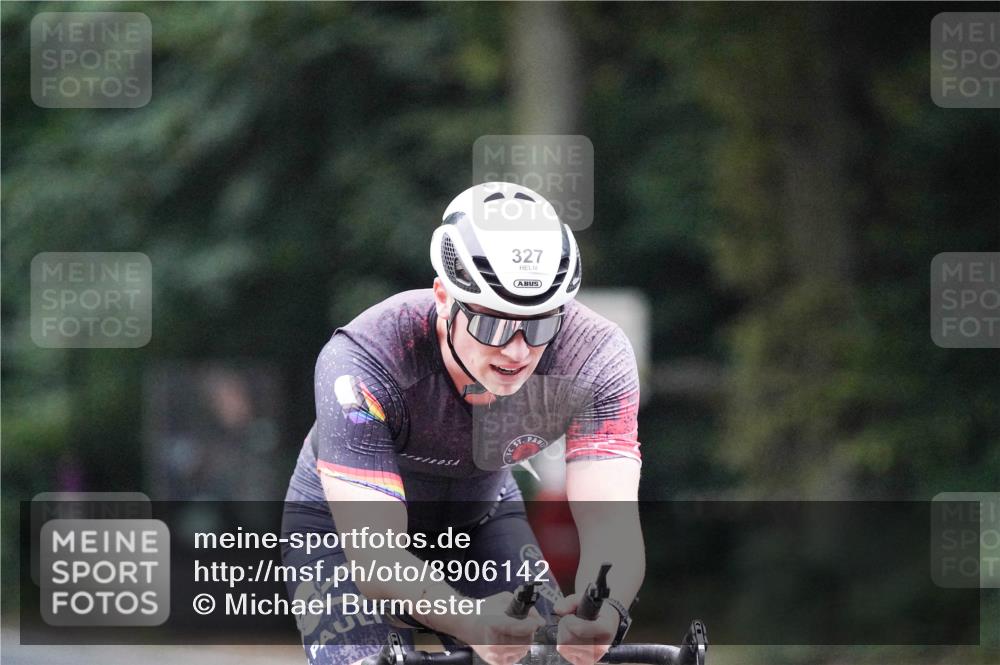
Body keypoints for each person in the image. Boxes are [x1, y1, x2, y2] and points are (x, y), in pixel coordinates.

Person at [282, 182, 644, 665]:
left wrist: (609, 606)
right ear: (443, 297)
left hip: (480, 518)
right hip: (344, 534)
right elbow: (376, 559)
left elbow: (610, 521)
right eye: (493, 324)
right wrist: (472, 623)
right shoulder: (365, 360)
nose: (517, 351)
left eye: (539, 324)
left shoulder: (594, 355)